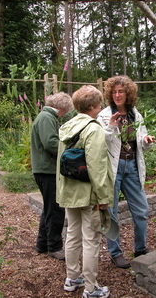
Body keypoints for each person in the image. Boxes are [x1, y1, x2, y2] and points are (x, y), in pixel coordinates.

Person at [57, 85, 114, 298]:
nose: (101, 107)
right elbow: (97, 167)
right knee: (91, 239)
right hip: (88, 193)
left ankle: (72, 278)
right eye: (99, 103)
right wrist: (103, 197)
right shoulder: (93, 128)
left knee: (72, 233)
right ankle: (91, 289)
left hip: (70, 191)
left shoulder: (67, 126)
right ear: (91, 106)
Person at [97, 75, 156, 269]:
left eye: (121, 91)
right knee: (111, 211)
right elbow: (99, 141)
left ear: (128, 93)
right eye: (114, 92)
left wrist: (146, 141)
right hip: (113, 168)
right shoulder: (105, 115)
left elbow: (141, 139)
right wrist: (112, 126)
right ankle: (115, 253)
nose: (117, 95)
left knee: (141, 210)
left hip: (131, 167)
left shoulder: (135, 114)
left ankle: (140, 248)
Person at [30, 92, 74, 260]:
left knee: (49, 209)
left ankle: (42, 244)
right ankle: (54, 247)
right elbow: (51, 143)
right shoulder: (47, 118)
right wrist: (69, 152)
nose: (65, 114)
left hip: (44, 169)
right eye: (66, 111)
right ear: (61, 108)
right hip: (47, 170)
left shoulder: (44, 117)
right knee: (56, 210)